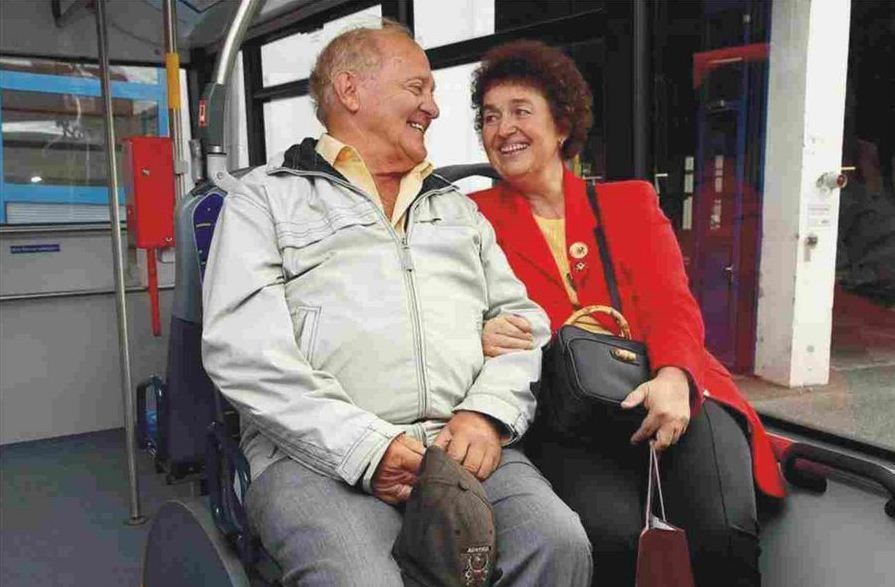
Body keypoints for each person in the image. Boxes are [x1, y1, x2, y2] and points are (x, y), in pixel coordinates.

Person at [201, 22, 592, 586]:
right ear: (350, 90)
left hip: (459, 440)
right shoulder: (266, 200)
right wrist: (367, 447)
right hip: (314, 454)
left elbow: (523, 325)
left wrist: (486, 414)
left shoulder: (454, 209)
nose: (433, 107)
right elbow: (244, 353)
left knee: (557, 543)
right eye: (417, 88)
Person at [467, 40, 787, 587]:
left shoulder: (629, 203)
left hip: (672, 382)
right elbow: (444, 310)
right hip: (568, 414)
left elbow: (671, 303)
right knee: (606, 539)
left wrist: (674, 377)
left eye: (520, 111)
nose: (503, 130)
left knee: (723, 532)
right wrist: (477, 332)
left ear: (561, 125)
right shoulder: (470, 220)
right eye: (490, 117)